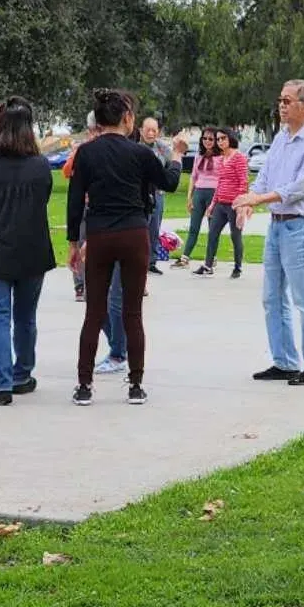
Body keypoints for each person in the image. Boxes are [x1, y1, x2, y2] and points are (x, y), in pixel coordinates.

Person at [66, 89, 178, 406]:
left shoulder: (86, 153)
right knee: (132, 312)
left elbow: (75, 202)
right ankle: (136, 384)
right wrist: (177, 157)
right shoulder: (140, 153)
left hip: (99, 234)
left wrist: (75, 242)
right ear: (128, 119)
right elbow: (168, 182)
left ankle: (85, 384)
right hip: (133, 233)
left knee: (94, 311)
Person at [237, 79, 304, 385]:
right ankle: (285, 361)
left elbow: (300, 187)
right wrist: (251, 199)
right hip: (277, 225)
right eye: (280, 100)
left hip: (301, 226)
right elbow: (266, 175)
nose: (281, 105)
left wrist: (260, 199)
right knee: (272, 296)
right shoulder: (281, 138)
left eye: (288, 100)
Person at [0, 98, 55, 405]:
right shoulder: (41, 166)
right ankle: (22, 374)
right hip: (32, 248)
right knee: (25, 317)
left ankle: (0, 384)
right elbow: (42, 198)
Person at [60, 128, 129, 372]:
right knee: (95, 294)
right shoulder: (86, 152)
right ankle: (119, 346)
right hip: (94, 219)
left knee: (114, 296)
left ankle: (120, 352)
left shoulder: (123, 154)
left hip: (115, 225)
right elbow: (69, 175)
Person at [193, 129, 251, 278]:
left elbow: (243, 182)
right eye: (218, 139)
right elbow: (220, 183)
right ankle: (208, 264)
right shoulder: (221, 158)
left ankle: (237, 267)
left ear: (230, 138)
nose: (220, 142)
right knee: (212, 233)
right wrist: (212, 204)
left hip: (234, 204)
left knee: (235, 235)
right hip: (220, 203)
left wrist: (241, 205)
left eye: (223, 138)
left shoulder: (239, 158)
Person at [179, 125, 221, 264]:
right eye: (205, 138)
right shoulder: (199, 155)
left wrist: (217, 199)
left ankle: (211, 258)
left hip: (213, 193)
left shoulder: (221, 157)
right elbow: (193, 176)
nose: (207, 141)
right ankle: (185, 257)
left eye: (211, 139)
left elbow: (223, 178)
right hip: (199, 192)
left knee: (213, 228)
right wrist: (189, 197)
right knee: (194, 226)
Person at [139, 116, 174, 272]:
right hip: (141, 193)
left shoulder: (162, 148)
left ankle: (151, 261)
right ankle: (140, 260)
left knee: (155, 226)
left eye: (154, 130)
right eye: (148, 130)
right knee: (141, 227)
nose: (151, 133)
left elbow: (170, 165)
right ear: (141, 130)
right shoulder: (135, 147)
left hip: (158, 193)